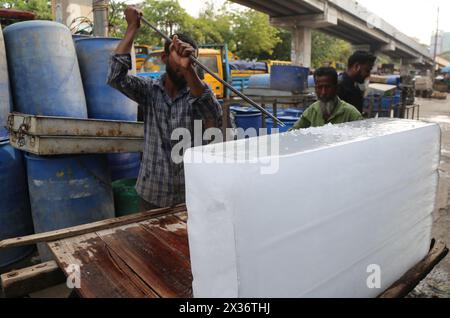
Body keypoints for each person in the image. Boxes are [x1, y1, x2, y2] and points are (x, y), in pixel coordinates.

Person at [107, 6, 222, 210]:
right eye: (177, 59)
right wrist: (132, 28)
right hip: (151, 193)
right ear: (164, 58)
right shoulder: (149, 90)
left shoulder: (198, 93)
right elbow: (116, 77)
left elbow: (213, 115)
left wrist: (189, 69)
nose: (181, 65)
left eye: (189, 59)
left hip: (189, 197)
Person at [291, 67, 363, 129]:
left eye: (328, 87)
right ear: (315, 88)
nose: (323, 92)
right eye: (319, 87)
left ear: (336, 88)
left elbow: (362, 140)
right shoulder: (312, 111)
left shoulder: (351, 114)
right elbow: (292, 133)